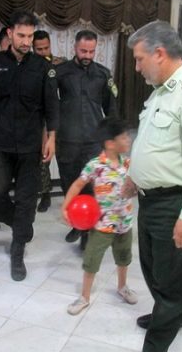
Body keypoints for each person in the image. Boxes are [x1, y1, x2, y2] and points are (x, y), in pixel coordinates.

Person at [123, 20, 182, 352]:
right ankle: (169, 315)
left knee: (172, 277)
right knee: (152, 267)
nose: (137, 68)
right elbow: (153, 144)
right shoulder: (161, 93)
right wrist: (135, 176)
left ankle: (158, 339)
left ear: (160, 53)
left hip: (174, 203)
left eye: (139, 59)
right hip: (150, 200)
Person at [0, 11, 59, 281]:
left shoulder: (43, 67)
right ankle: (22, 226)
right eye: (21, 35)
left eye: (30, 36)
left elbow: (51, 105)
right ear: (10, 33)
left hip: (30, 145)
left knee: (26, 200)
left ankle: (18, 249)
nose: (26, 41)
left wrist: (52, 137)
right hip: (0, 143)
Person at [62, 117, 138, 315]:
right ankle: (84, 297)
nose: (129, 140)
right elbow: (78, 184)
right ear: (110, 143)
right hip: (102, 225)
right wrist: (65, 206)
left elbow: (137, 185)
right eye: (124, 137)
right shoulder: (95, 165)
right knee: (91, 260)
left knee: (124, 258)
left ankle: (122, 287)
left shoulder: (129, 164)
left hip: (124, 223)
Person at [56, 30, 118, 249]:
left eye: (91, 51)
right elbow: (50, 105)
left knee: (92, 188)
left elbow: (111, 110)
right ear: (75, 47)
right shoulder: (60, 73)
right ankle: (77, 224)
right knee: (70, 185)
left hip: (93, 142)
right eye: (83, 51)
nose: (87, 56)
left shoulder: (103, 74)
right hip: (66, 141)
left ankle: (87, 233)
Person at [32, 30, 66, 213]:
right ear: (33, 48)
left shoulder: (62, 64)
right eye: (39, 49)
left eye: (46, 47)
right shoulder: (30, 66)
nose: (44, 52)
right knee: (43, 160)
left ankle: (70, 193)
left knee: (65, 158)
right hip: (42, 120)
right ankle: (45, 194)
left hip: (63, 118)